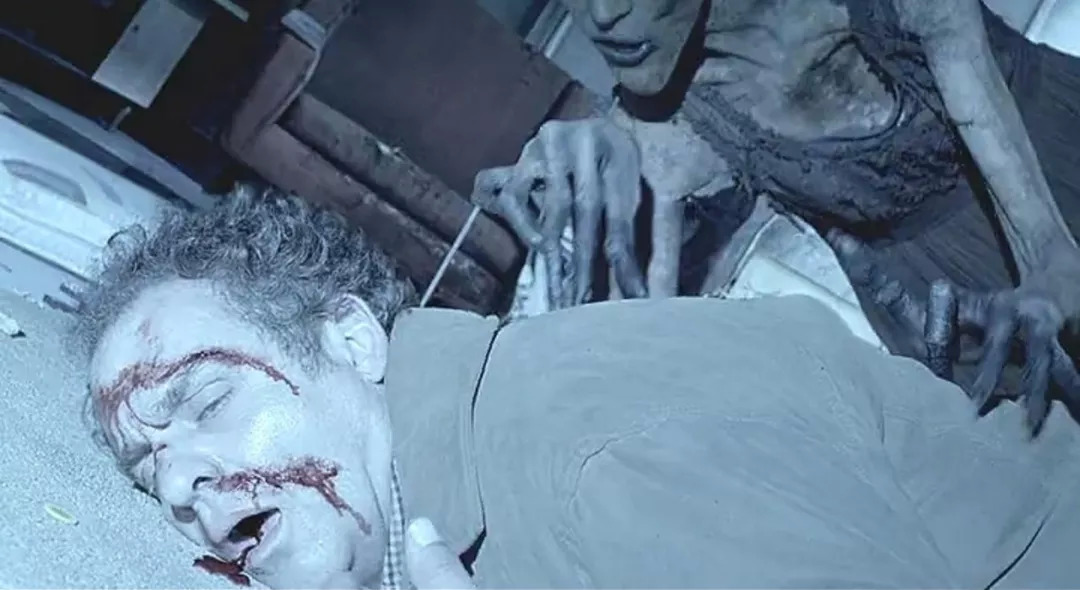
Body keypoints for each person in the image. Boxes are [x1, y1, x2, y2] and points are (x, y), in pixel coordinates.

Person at [76, 188, 1080, 588]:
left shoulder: (602, 454)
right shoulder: (434, 486)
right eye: (147, 471)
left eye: (206, 401)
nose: (180, 486)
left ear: (352, 338)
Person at [471, 0, 1080, 434]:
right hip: (954, 321)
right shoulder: (671, 120)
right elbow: (630, 330)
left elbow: (1050, 249)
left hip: (1058, 168)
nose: (604, 15)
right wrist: (584, 173)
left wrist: (1053, 283)